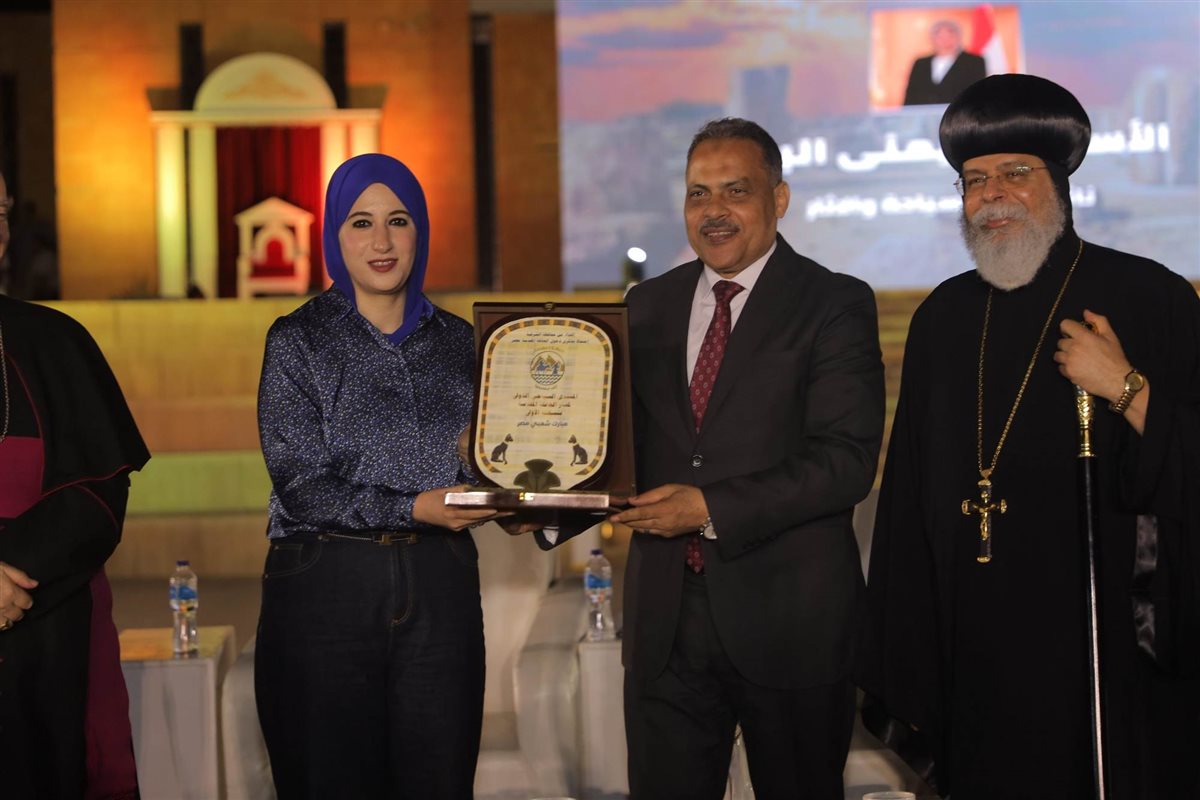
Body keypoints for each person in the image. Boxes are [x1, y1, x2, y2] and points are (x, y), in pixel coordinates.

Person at [862, 74, 1200, 799]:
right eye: (974, 180)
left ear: (1059, 184)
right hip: (976, 646)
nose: (992, 195)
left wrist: (1125, 387)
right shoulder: (941, 319)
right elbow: (909, 505)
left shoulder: (1153, 297)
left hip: (1106, 654)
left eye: (1015, 172)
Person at [540, 118, 885, 799]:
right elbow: (615, 447)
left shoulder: (834, 303)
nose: (714, 210)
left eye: (736, 190)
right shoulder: (646, 306)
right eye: (698, 193)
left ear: (779, 199)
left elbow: (844, 461)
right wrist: (546, 497)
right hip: (666, 624)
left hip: (790, 622)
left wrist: (708, 508)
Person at [255, 153, 501, 799]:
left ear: (421, 229)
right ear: (335, 235)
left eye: (399, 220)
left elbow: (485, 462)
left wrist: (503, 472)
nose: (382, 241)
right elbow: (299, 483)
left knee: (440, 782)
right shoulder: (298, 340)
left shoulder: (464, 343)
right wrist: (415, 507)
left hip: (441, 584)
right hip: (327, 585)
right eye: (361, 223)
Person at [0, 169, 149, 799]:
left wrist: (8, 577)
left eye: (1, 211)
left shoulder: (55, 341)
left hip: (46, 636)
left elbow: (98, 493)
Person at [902, 20, 986, 106]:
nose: (945, 40)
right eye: (940, 36)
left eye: (950, 35)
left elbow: (977, 93)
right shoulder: (921, 63)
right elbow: (911, 94)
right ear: (932, 38)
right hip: (923, 113)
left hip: (958, 112)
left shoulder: (974, 62)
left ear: (959, 37)